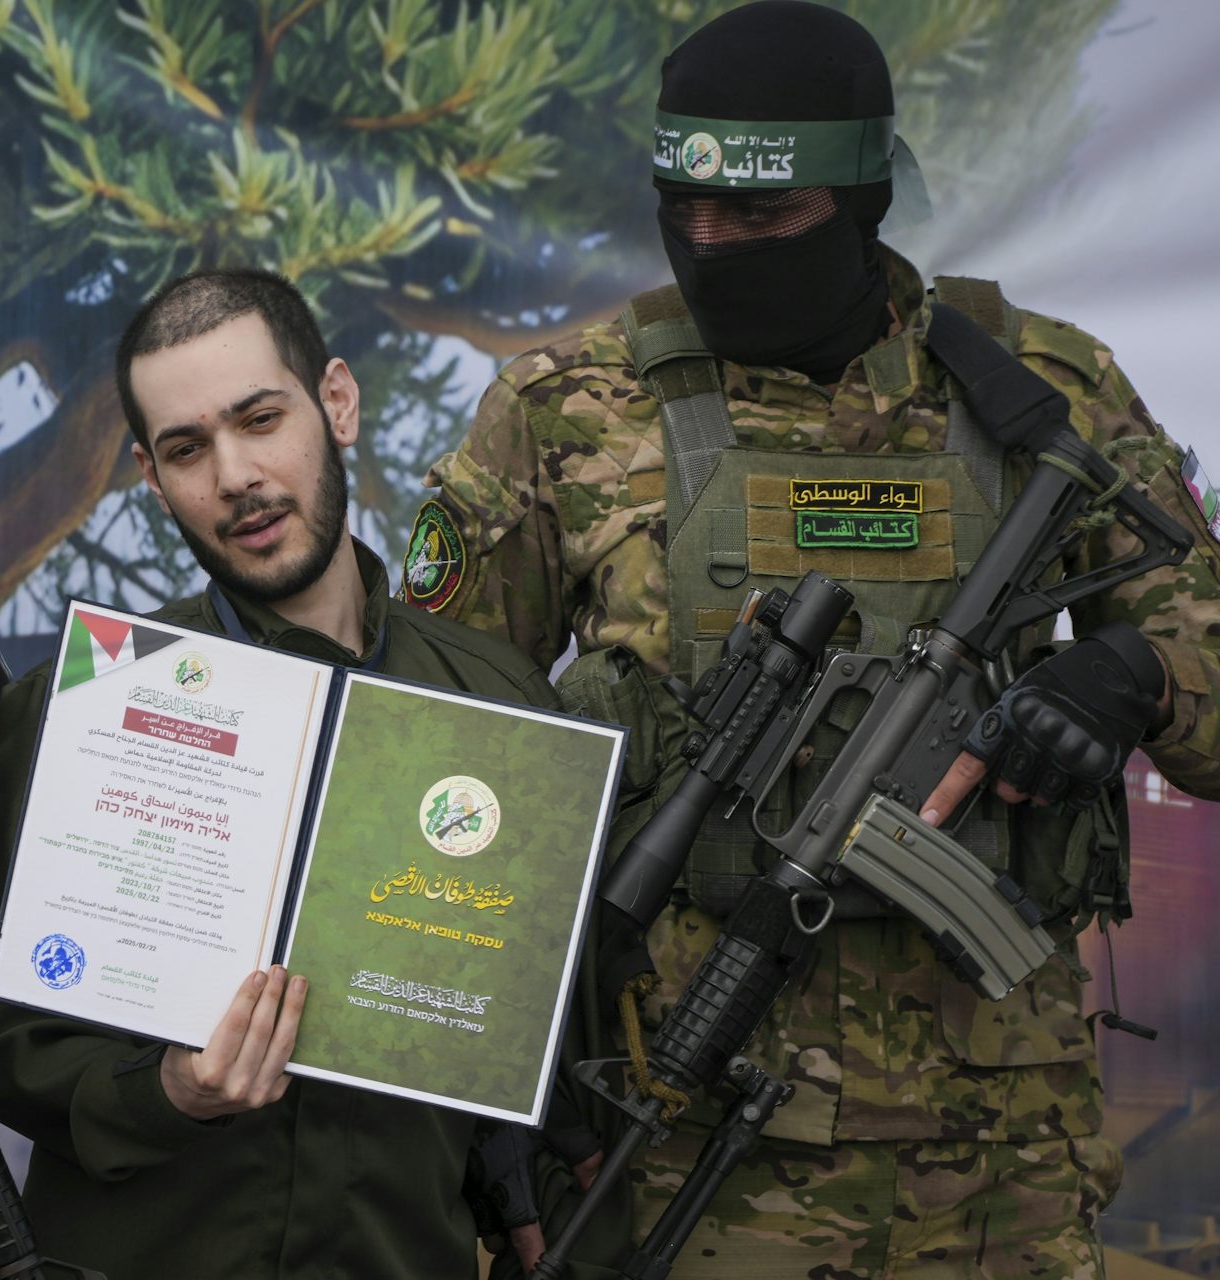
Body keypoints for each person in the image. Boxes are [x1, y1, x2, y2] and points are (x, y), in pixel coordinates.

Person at [408, 3, 1220, 1276]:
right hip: (677, 1130)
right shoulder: (567, 407)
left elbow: (1210, 671)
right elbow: (435, 754)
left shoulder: (1044, 394)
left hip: (996, 1157)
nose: (713, 243)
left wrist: (1132, 674)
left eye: (762, 217)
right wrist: (478, 1083)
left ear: (866, 197)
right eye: (686, 208)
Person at [0, 268, 561, 1280]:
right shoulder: (89, 704)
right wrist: (165, 1093)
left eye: (259, 418)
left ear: (338, 403)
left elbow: (527, 1042)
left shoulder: (498, 705)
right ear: (150, 476)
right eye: (188, 448)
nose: (234, 474)